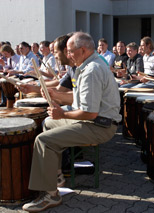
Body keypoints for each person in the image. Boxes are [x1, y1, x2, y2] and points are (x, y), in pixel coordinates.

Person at [22, 32, 121, 212]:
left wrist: (62, 115)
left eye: (70, 51)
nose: (67, 55)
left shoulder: (92, 70)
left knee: (44, 141)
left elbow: (89, 113)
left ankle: (50, 195)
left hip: (100, 126)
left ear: (82, 50)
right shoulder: (90, 64)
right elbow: (80, 98)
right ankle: (56, 176)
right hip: (97, 121)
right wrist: (56, 95)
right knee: (48, 123)